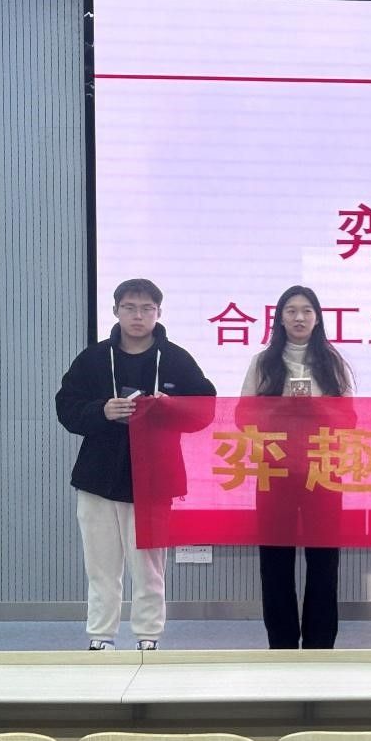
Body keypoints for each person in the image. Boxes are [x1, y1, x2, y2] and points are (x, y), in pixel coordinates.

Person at [56, 278, 216, 651]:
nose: (138, 316)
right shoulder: (93, 358)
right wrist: (102, 410)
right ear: (116, 311)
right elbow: (66, 408)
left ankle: (148, 636)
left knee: (149, 568)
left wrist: (171, 408)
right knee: (101, 566)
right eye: (129, 307)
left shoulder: (176, 359)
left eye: (146, 308)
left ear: (159, 312)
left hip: (155, 481)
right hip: (98, 478)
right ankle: (101, 636)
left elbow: (205, 409)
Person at [241, 286, 354, 649]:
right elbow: (243, 416)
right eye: (291, 311)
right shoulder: (263, 362)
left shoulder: (332, 362)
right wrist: (280, 410)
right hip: (274, 471)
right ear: (280, 318)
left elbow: (350, 419)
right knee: (275, 561)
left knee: (324, 562)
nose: (299, 317)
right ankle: (282, 643)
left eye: (307, 311)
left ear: (317, 318)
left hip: (323, 469)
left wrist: (318, 411)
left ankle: (321, 644)